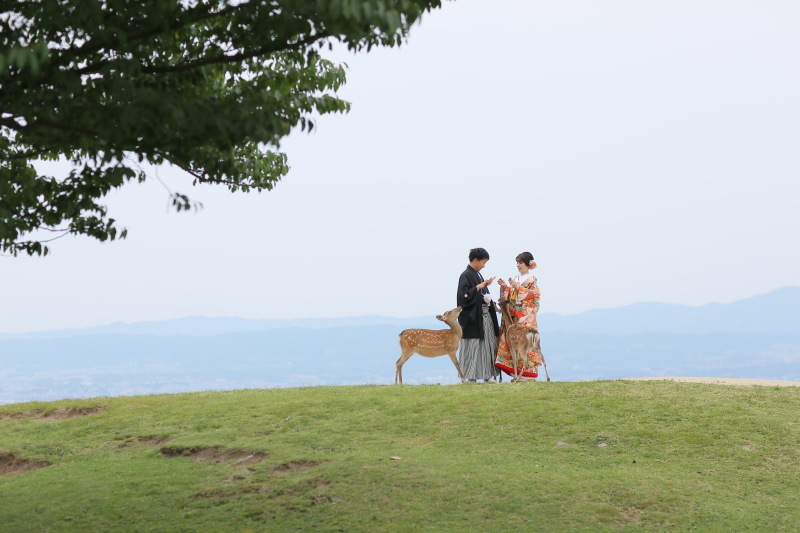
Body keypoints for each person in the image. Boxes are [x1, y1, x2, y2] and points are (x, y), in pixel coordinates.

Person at [494, 251, 544, 380]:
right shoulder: (516, 278)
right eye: (517, 262)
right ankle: (515, 373)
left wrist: (519, 289)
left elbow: (535, 296)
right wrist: (505, 287)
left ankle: (527, 374)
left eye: (521, 262)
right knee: (513, 343)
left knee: (525, 343)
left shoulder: (532, 279)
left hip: (525, 317)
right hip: (514, 317)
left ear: (528, 264)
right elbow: (511, 295)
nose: (518, 265)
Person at [457, 247, 502, 383]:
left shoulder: (477, 275)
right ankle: (470, 376)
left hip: (484, 316)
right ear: (475, 260)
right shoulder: (465, 275)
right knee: (473, 346)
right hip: (473, 318)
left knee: (488, 344)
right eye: (483, 262)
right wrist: (478, 287)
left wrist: (485, 287)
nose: (484, 266)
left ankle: (487, 375)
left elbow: (483, 296)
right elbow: (463, 296)